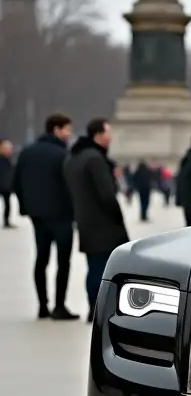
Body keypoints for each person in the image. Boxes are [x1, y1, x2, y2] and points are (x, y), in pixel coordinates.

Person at [11, 113, 79, 319]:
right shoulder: (63, 154)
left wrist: (27, 208)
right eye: (67, 129)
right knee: (63, 261)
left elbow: (17, 183)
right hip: (61, 215)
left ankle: (42, 305)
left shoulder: (27, 152)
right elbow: (71, 187)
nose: (69, 134)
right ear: (56, 130)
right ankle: (59, 305)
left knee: (41, 259)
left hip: (38, 215)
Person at [63, 118, 129, 320]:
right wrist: (118, 218)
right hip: (103, 223)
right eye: (108, 133)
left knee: (94, 266)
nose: (110, 138)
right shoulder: (95, 159)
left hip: (85, 220)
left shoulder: (74, 158)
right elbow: (107, 195)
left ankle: (93, 307)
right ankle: (100, 310)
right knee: (103, 269)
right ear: (98, 135)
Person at [0, 138, 14, 228]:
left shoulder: (7, 160)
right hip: (2, 185)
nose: (10, 151)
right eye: (7, 149)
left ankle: (6, 220)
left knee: (8, 204)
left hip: (6, 186)